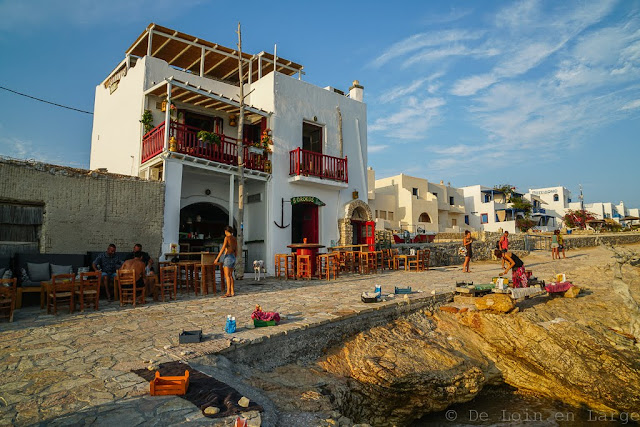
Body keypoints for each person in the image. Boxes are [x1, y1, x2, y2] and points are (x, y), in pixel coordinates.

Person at [215, 226, 237, 297]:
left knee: (227, 276)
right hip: (233, 257)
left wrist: (217, 258)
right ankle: (232, 291)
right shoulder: (234, 238)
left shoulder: (227, 238)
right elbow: (236, 250)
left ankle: (228, 292)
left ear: (226, 231)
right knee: (231, 275)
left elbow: (223, 248)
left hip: (228, 257)